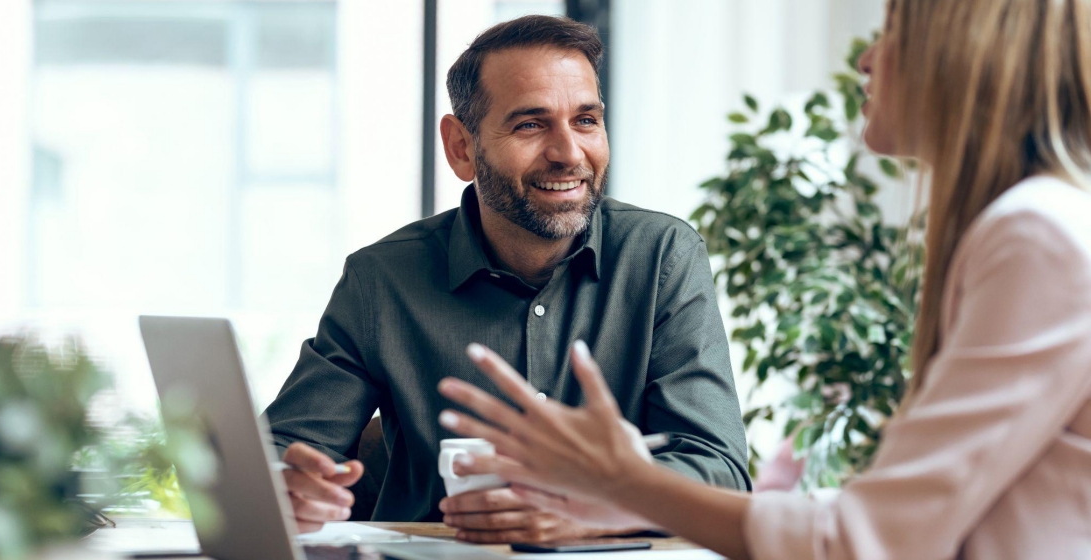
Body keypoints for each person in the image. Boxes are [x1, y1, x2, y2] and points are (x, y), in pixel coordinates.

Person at [435, 0, 1091, 558]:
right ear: (462, 146)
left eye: (891, 30)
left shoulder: (1038, 237)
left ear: (960, 54)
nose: (866, 60)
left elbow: (865, 539)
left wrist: (625, 486)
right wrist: (621, 499)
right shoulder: (1033, 227)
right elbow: (913, 513)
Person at [264, 15, 751, 543]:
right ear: (461, 148)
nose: (569, 154)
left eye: (586, 120)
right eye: (530, 125)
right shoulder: (380, 279)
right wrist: (290, 488)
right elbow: (282, 450)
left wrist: (595, 508)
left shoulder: (662, 257)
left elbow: (719, 469)